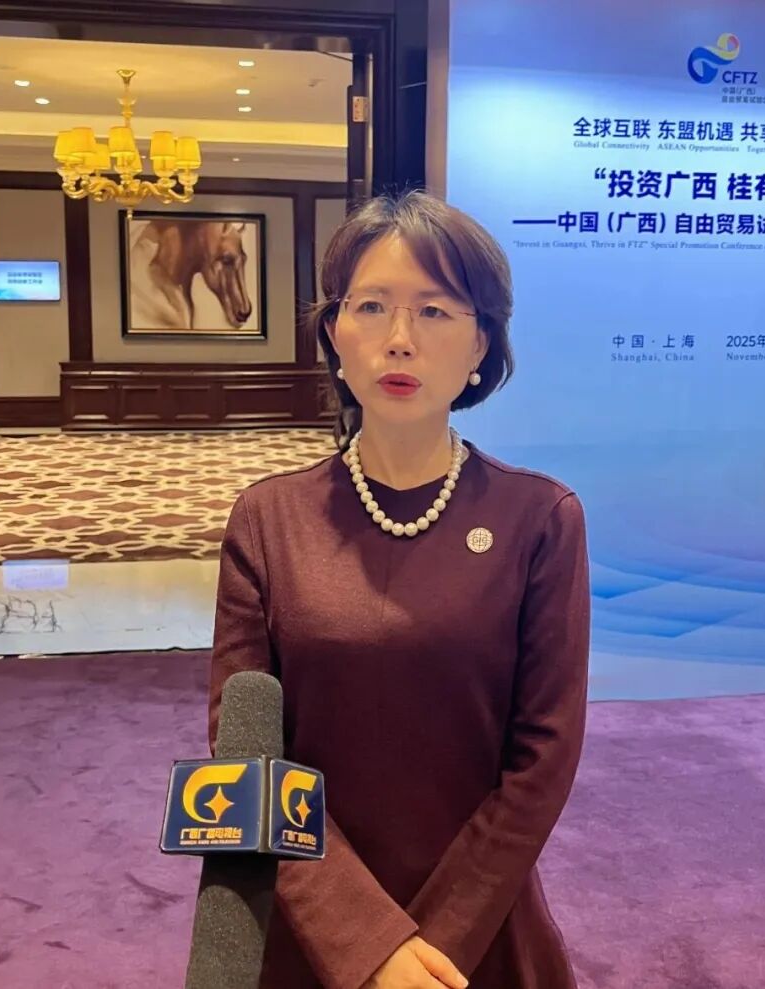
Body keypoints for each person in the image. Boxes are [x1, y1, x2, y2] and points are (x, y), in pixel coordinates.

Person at [208, 190, 591, 989]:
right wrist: (366, 944)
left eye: (435, 310)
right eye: (372, 306)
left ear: (481, 343)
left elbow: (544, 755)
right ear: (335, 334)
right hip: (314, 929)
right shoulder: (268, 519)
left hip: (476, 935)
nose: (400, 338)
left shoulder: (540, 517)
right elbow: (245, 754)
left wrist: (437, 943)